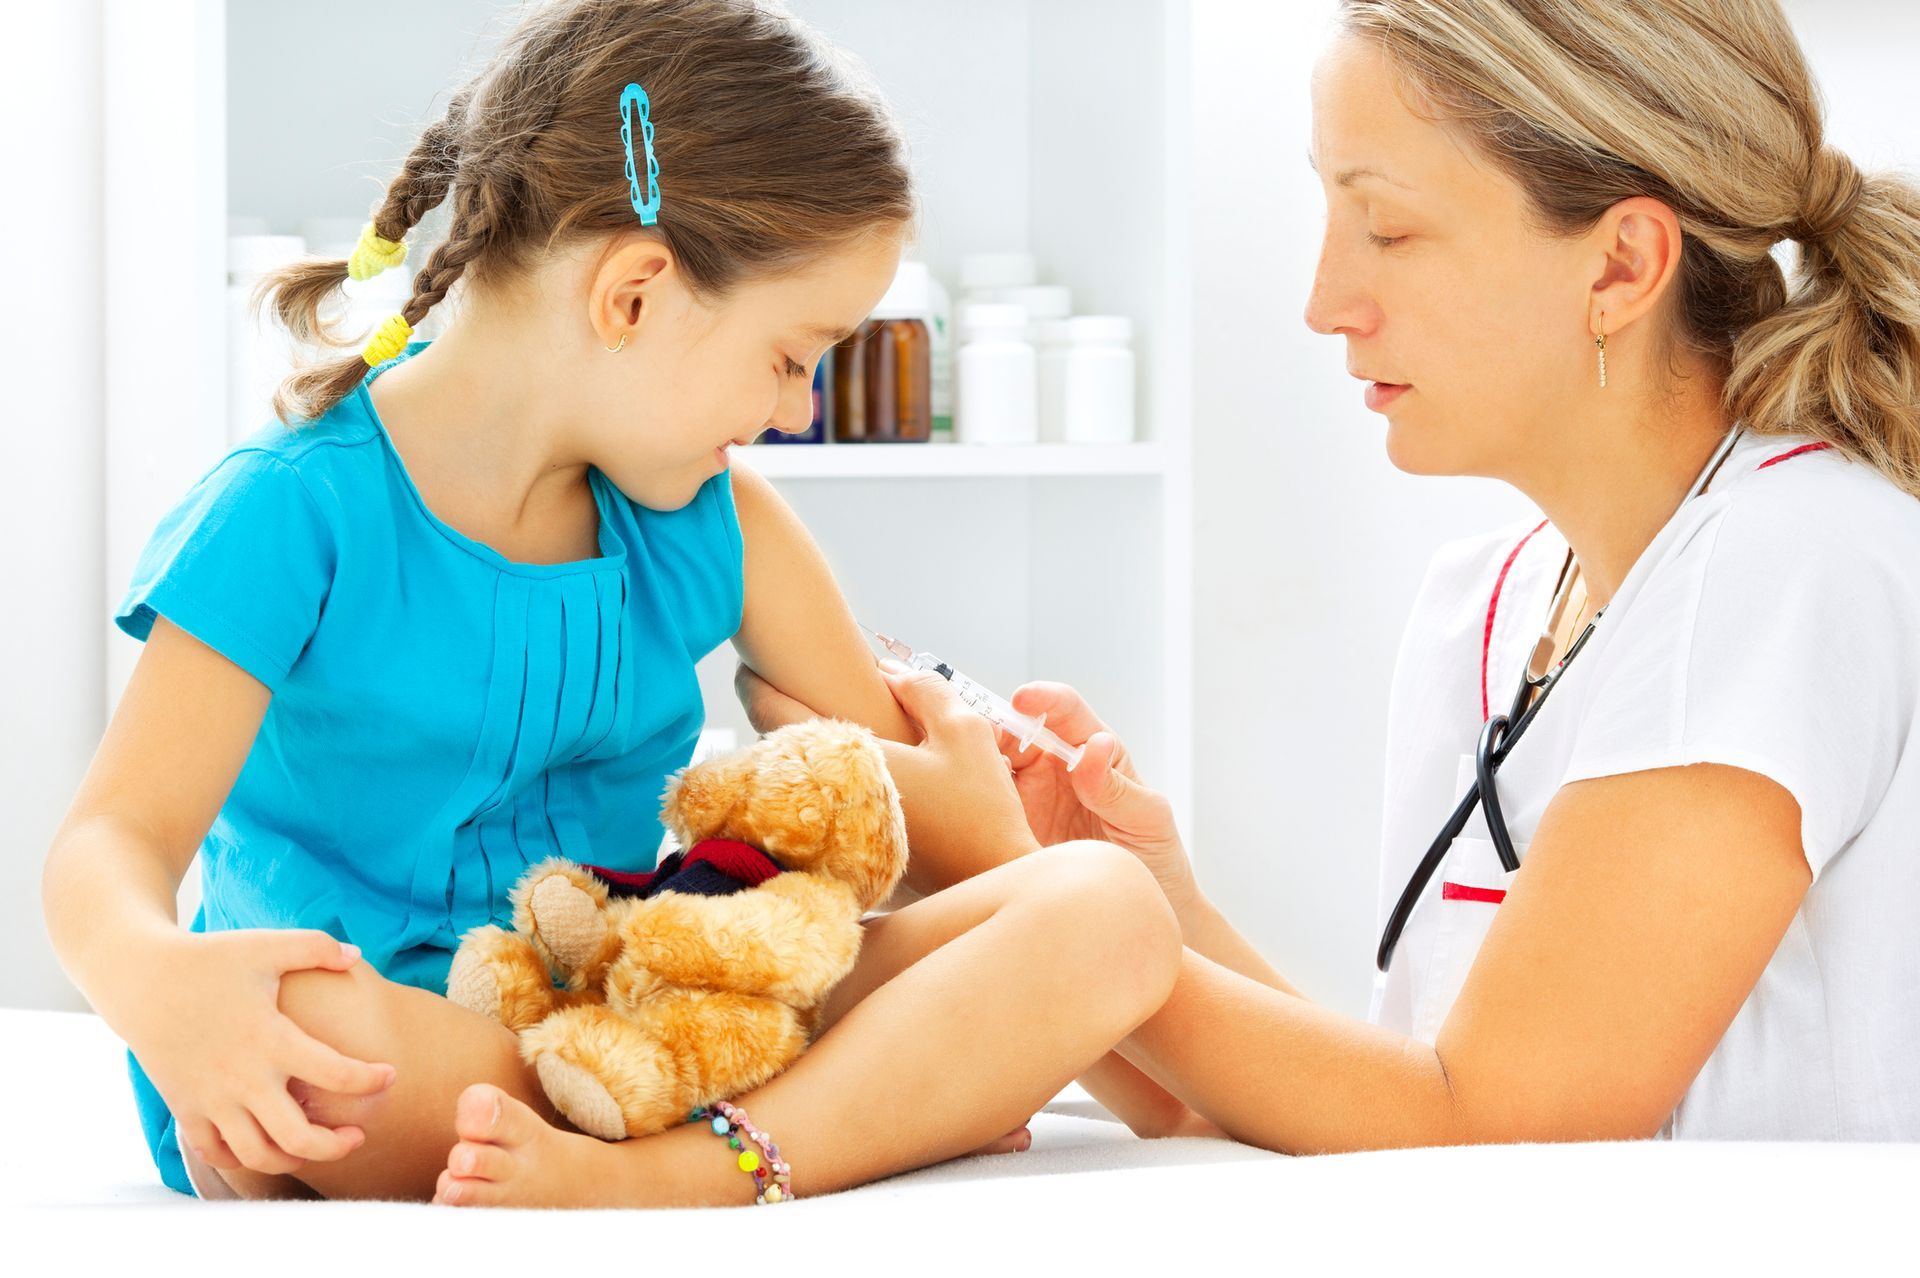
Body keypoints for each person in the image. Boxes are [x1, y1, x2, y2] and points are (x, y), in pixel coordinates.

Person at [41, 0, 1182, 1206]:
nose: (794, 411)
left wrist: (1120, 1047)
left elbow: (889, 832)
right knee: (315, 1032)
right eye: (793, 357)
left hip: (662, 1000)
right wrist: (155, 983)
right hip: (407, 1040)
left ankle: (668, 1163)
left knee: (1105, 909)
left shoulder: (716, 519)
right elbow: (111, 840)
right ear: (634, 294)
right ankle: (814, 1121)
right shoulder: (287, 512)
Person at [752, 0, 1920, 1149]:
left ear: (1620, 265)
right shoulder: (1495, 604)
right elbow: (1386, 1115)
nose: (1325, 305)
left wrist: (1018, 886)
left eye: (1390, 231)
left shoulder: (1788, 562)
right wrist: (1131, 895)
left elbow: (1498, 1129)